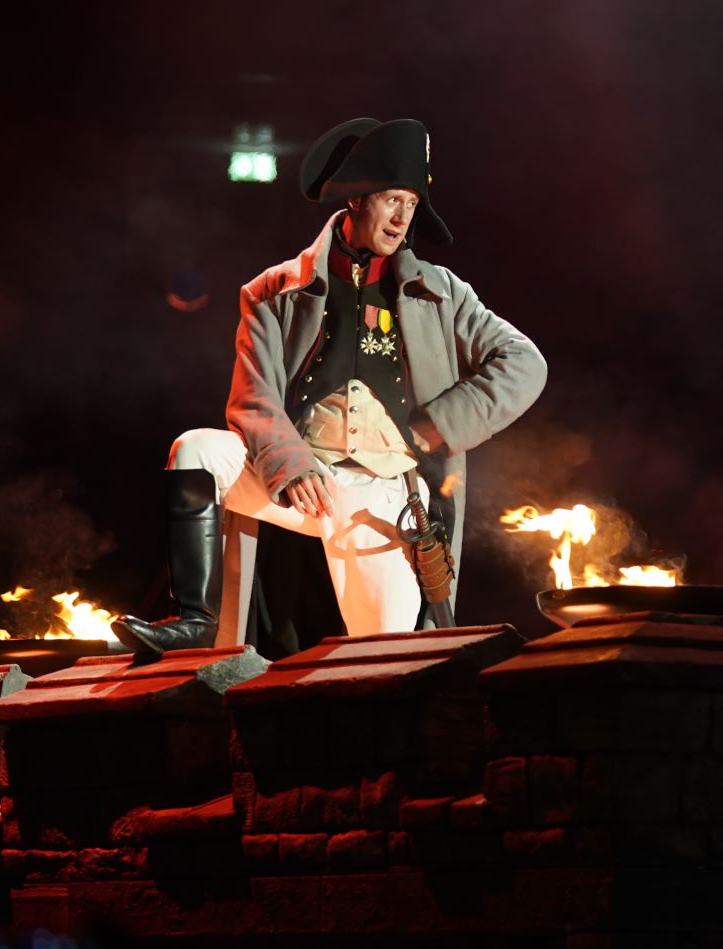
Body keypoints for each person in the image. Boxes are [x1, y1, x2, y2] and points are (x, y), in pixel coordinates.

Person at [114, 117, 547, 658]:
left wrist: (432, 427)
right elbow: (253, 396)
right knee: (196, 448)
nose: (402, 217)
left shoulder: (441, 292)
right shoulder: (273, 291)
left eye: (412, 204)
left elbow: (524, 363)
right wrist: (290, 463)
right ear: (357, 199)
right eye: (392, 199)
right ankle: (195, 620)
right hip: (302, 478)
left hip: (382, 497)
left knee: (387, 660)